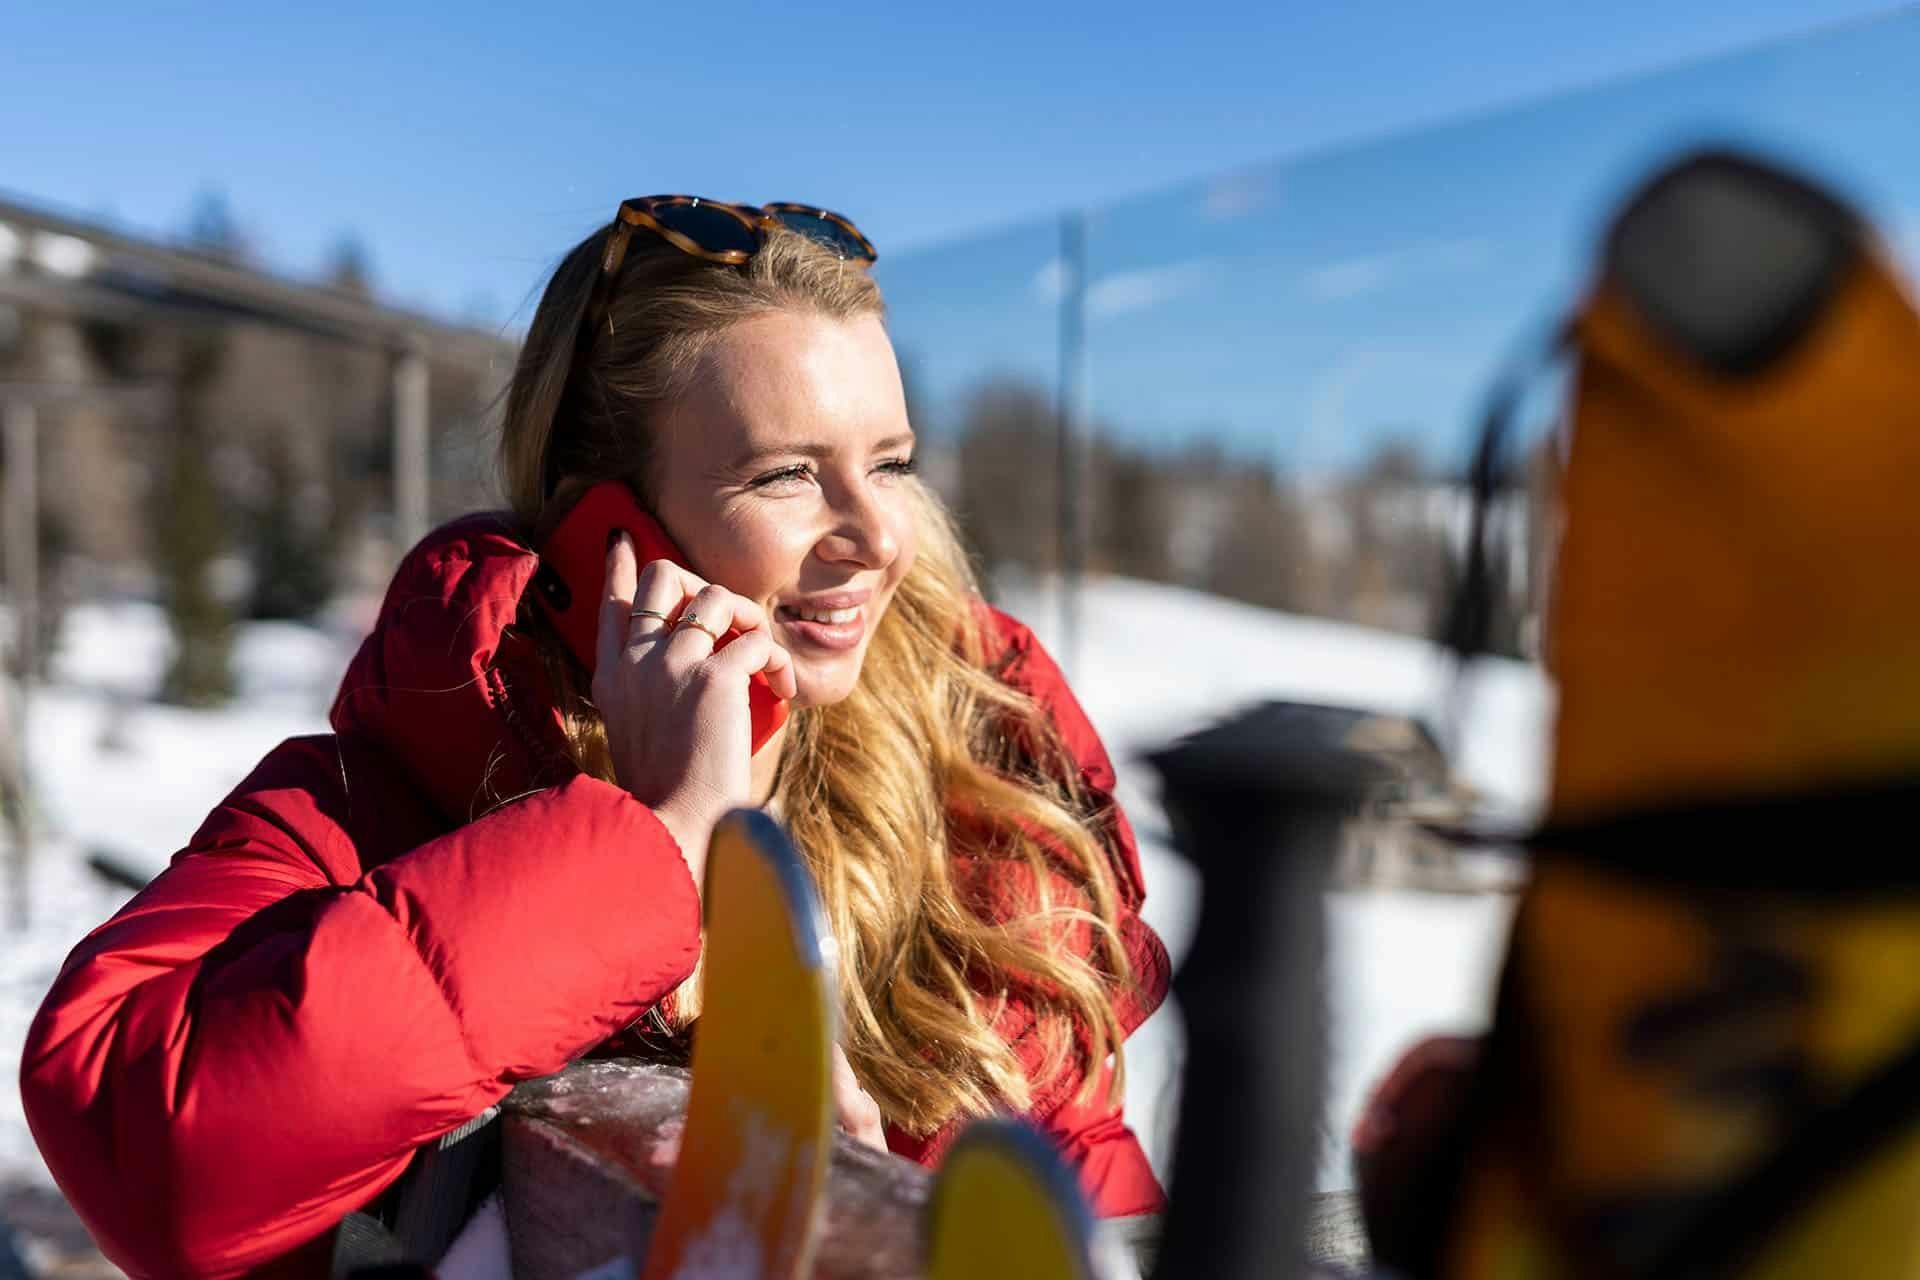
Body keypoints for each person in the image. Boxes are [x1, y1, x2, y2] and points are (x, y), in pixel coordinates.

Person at [19, 198, 1170, 1278]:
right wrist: (650, 848)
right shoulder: (389, 798)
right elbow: (147, 1143)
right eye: (785, 476)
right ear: (604, 526)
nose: (875, 532)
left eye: (890, 463)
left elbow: (1091, 1185)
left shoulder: (977, 755)